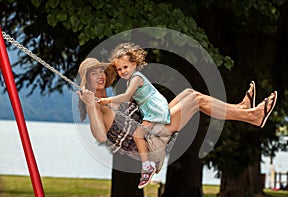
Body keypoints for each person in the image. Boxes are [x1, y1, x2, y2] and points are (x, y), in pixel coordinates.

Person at [76, 52, 277, 189]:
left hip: (152, 127)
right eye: (93, 73)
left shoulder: (106, 98)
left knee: (190, 93)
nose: (100, 75)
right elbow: (100, 135)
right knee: (195, 100)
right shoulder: (95, 105)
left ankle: (241, 109)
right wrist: (91, 106)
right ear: (87, 80)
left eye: (101, 71)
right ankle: (251, 116)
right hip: (149, 142)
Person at [97, 43, 171, 189]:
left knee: (138, 135)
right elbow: (130, 101)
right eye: (119, 69)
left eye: (125, 67)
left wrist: (108, 100)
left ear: (134, 64)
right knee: (142, 133)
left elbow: (126, 96)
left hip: (155, 109)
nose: (122, 71)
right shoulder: (130, 80)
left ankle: (147, 166)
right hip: (150, 110)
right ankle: (150, 160)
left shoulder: (136, 78)